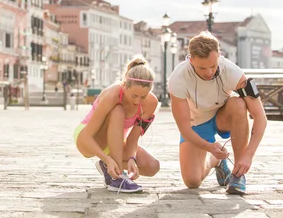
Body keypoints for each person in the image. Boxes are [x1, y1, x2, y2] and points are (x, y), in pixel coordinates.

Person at [168, 31, 267, 195]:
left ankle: (238, 174)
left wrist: (248, 156)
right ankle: (216, 160)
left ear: (219, 56)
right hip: (196, 124)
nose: (209, 72)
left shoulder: (231, 71)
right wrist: (209, 148)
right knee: (192, 182)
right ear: (190, 60)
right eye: (202, 68)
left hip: (222, 116)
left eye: (213, 66)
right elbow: (184, 128)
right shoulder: (178, 78)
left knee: (239, 104)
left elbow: (260, 117)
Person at [74, 56, 160, 193]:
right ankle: (117, 176)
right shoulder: (113, 95)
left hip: (116, 142)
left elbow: (133, 138)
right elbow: (85, 137)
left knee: (152, 166)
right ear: (125, 85)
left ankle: (108, 167)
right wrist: (107, 159)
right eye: (134, 96)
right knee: (118, 110)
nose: (138, 101)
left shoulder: (151, 103)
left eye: (143, 97)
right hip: (88, 138)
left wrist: (132, 158)